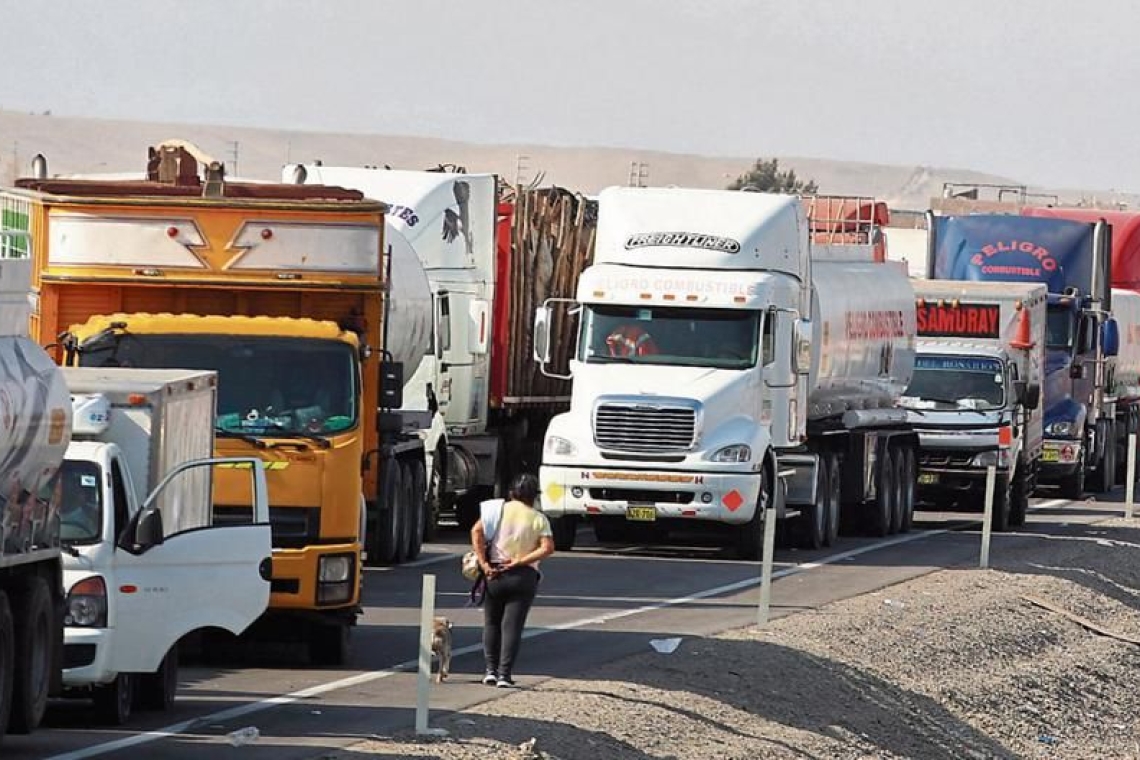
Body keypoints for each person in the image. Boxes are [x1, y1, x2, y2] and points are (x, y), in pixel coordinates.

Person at [470, 473, 554, 688]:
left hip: (494, 573)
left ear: (511, 493)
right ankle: (504, 675)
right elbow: (547, 548)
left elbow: (476, 531)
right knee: (512, 627)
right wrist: (520, 561)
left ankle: (490, 670)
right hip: (523, 575)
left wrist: (483, 563)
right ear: (534, 496)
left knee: (491, 623)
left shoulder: (497, 511)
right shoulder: (538, 518)